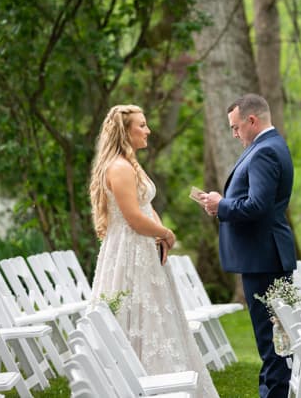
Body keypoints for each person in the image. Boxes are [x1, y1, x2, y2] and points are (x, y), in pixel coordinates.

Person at [89, 104, 219, 398]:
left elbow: (147, 207)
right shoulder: (119, 168)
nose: (148, 130)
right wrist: (166, 233)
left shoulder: (130, 163)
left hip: (146, 249)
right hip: (129, 251)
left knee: (157, 315)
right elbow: (133, 218)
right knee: (134, 314)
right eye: (142, 125)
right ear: (125, 131)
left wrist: (160, 236)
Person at [200, 94, 297, 398]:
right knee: (274, 337)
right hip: (264, 257)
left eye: (235, 127)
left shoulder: (265, 152)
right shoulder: (267, 146)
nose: (234, 134)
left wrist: (222, 205)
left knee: (272, 341)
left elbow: (258, 207)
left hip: (264, 259)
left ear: (252, 120)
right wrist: (222, 203)